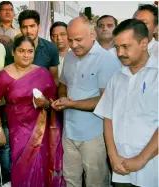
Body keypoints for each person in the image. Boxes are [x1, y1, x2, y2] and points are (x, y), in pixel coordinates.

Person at [51, 16, 121, 187]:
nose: (73, 45)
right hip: (70, 131)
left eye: (78, 40)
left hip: (94, 134)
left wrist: (71, 104)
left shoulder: (106, 60)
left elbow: (106, 101)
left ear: (92, 35)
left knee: (95, 182)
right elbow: (63, 84)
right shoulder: (69, 57)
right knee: (70, 180)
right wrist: (62, 98)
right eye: (70, 40)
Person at [94, 19, 158, 187]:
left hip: (152, 169)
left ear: (144, 43)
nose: (120, 52)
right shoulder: (116, 78)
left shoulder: (157, 76)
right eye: (117, 47)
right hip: (120, 168)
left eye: (126, 46)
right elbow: (108, 118)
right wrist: (112, 155)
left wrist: (141, 159)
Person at [0, 35, 65, 187]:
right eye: (21, 51)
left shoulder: (43, 73)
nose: (26, 55)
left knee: (42, 165)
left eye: (30, 51)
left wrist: (45, 103)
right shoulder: (3, 76)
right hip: (18, 131)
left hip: (42, 128)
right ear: (13, 52)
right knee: (22, 166)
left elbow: (54, 101)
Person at [18, 10, 60, 85]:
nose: (28, 31)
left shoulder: (51, 48)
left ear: (39, 27)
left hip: (44, 93)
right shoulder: (12, 49)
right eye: (24, 27)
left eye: (32, 26)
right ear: (20, 29)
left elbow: (54, 78)